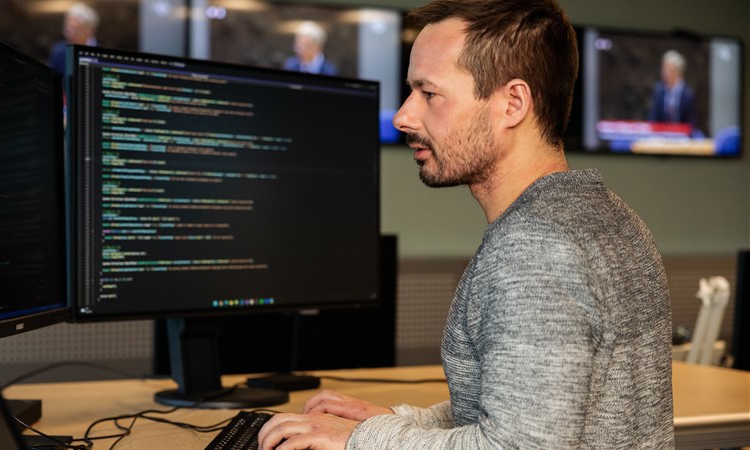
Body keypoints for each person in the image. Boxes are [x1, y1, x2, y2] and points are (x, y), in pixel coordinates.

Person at [258, 0, 674, 448]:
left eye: (429, 94)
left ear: (512, 103)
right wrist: (397, 421)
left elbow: (518, 447)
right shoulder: (610, 217)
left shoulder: (535, 248)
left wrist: (364, 439)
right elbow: (527, 406)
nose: (403, 116)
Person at [649, 49, 698, 129]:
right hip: (661, 135)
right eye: (664, 69)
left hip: (682, 136)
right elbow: (653, 117)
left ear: (678, 71)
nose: (665, 73)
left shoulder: (688, 94)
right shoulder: (658, 90)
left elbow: (691, 122)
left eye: (669, 70)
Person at [48, 3, 99, 74]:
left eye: (76, 32)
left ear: (90, 32)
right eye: (67, 30)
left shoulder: (103, 53)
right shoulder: (58, 51)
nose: (70, 35)